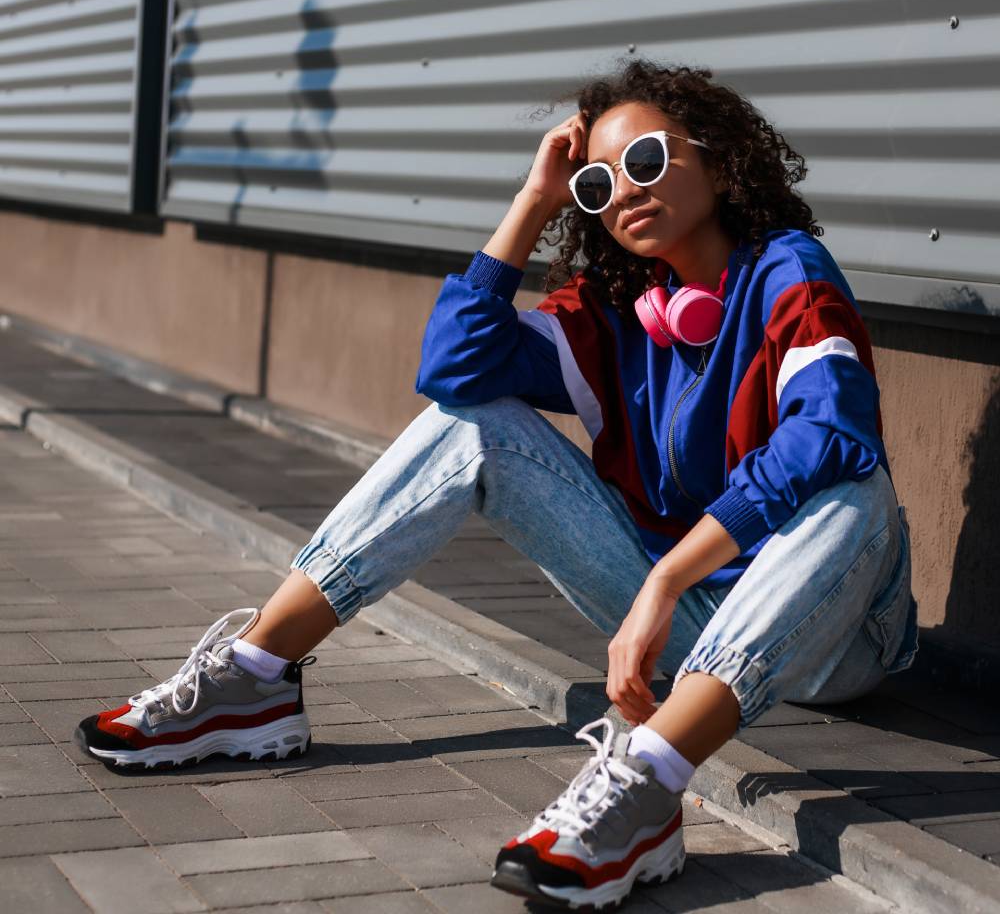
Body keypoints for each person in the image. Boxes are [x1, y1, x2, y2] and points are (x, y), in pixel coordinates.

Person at [75, 59, 918, 910]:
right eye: (598, 182)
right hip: (690, 632)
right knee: (470, 425)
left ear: (721, 160)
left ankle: (648, 780)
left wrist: (668, 576)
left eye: (648, 163)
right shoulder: (618, 311)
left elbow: (829, 433)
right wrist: (533, 201)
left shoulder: (788, 272)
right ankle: (256, 674)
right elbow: (456, 369)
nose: (624, 190)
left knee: (854, 488)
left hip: (830, 636)